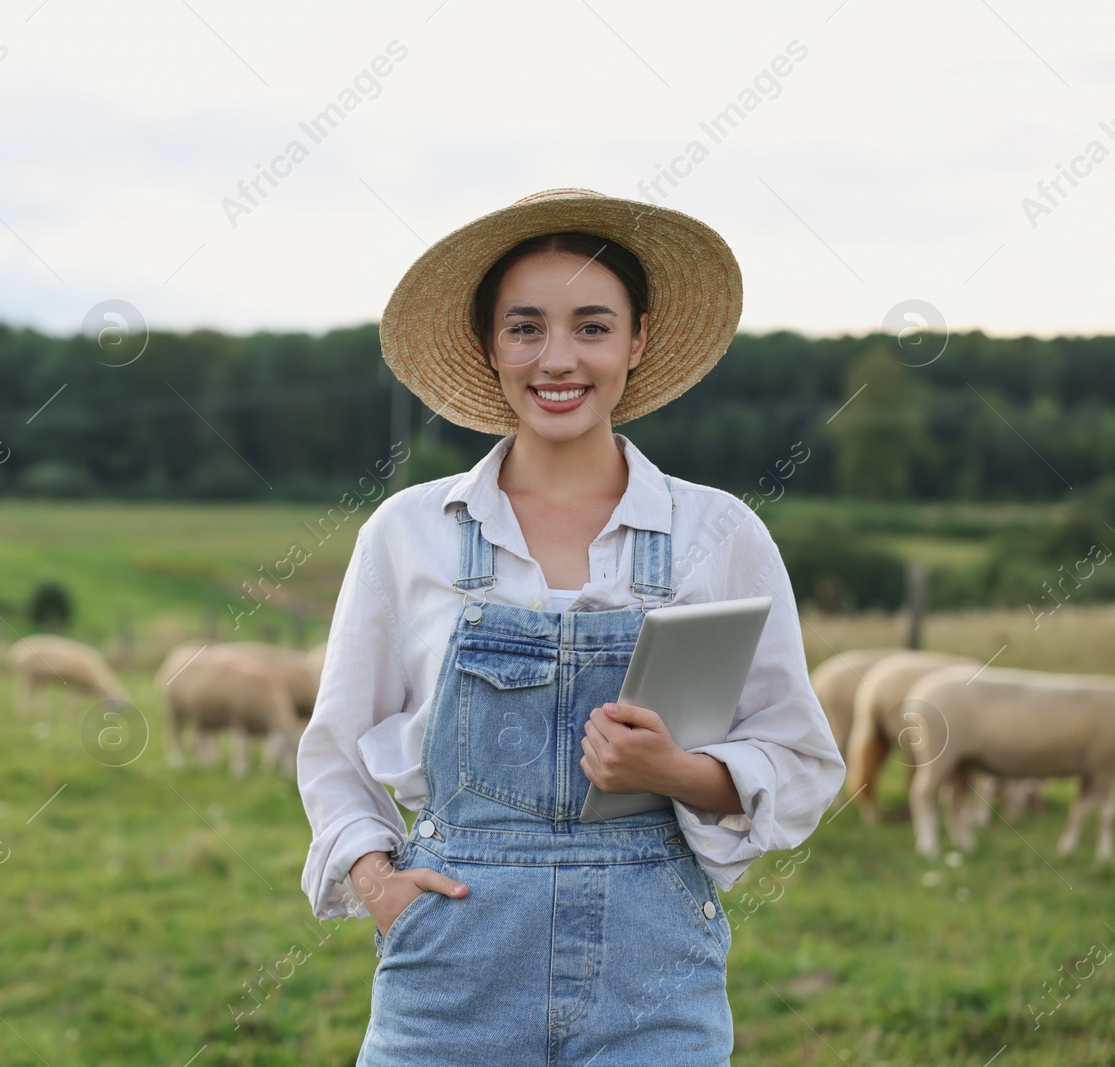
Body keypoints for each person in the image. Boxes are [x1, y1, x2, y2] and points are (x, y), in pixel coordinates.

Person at [296, 188, 846, 1065]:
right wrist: (378, 881)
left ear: (639, 339)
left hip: (653, 977)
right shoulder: (408, 531)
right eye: (526, 327)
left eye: (592, 325)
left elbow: (801, 760)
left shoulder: (719, 536)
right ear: (490, 347)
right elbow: (336, 750)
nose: (559, 358)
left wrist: (677, 771)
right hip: (451, 971)